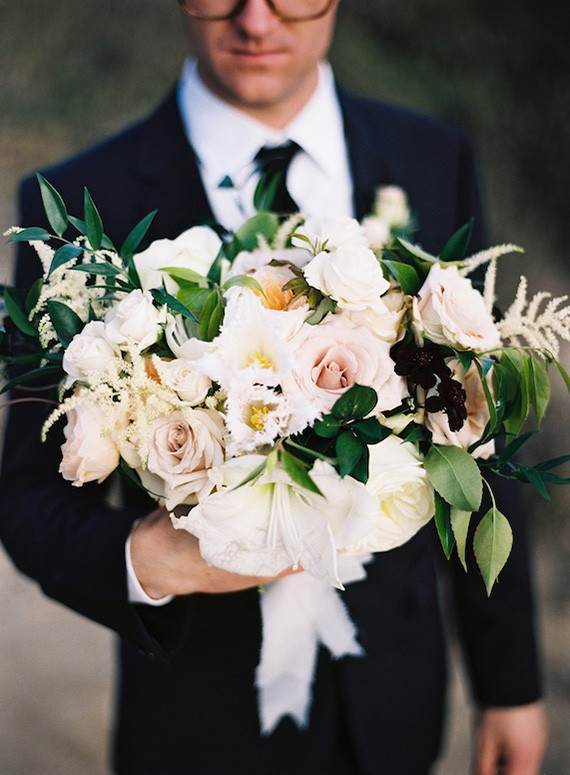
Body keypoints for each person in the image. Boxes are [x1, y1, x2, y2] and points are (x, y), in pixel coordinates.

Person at [0, 1, 548, 772]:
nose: (256, 21)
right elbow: (27, 494)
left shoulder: (433, 158)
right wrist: (144, 560)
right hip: (197, 720)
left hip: (393, 706)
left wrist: (510, 684)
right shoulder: (82, 199)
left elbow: (481, 433)